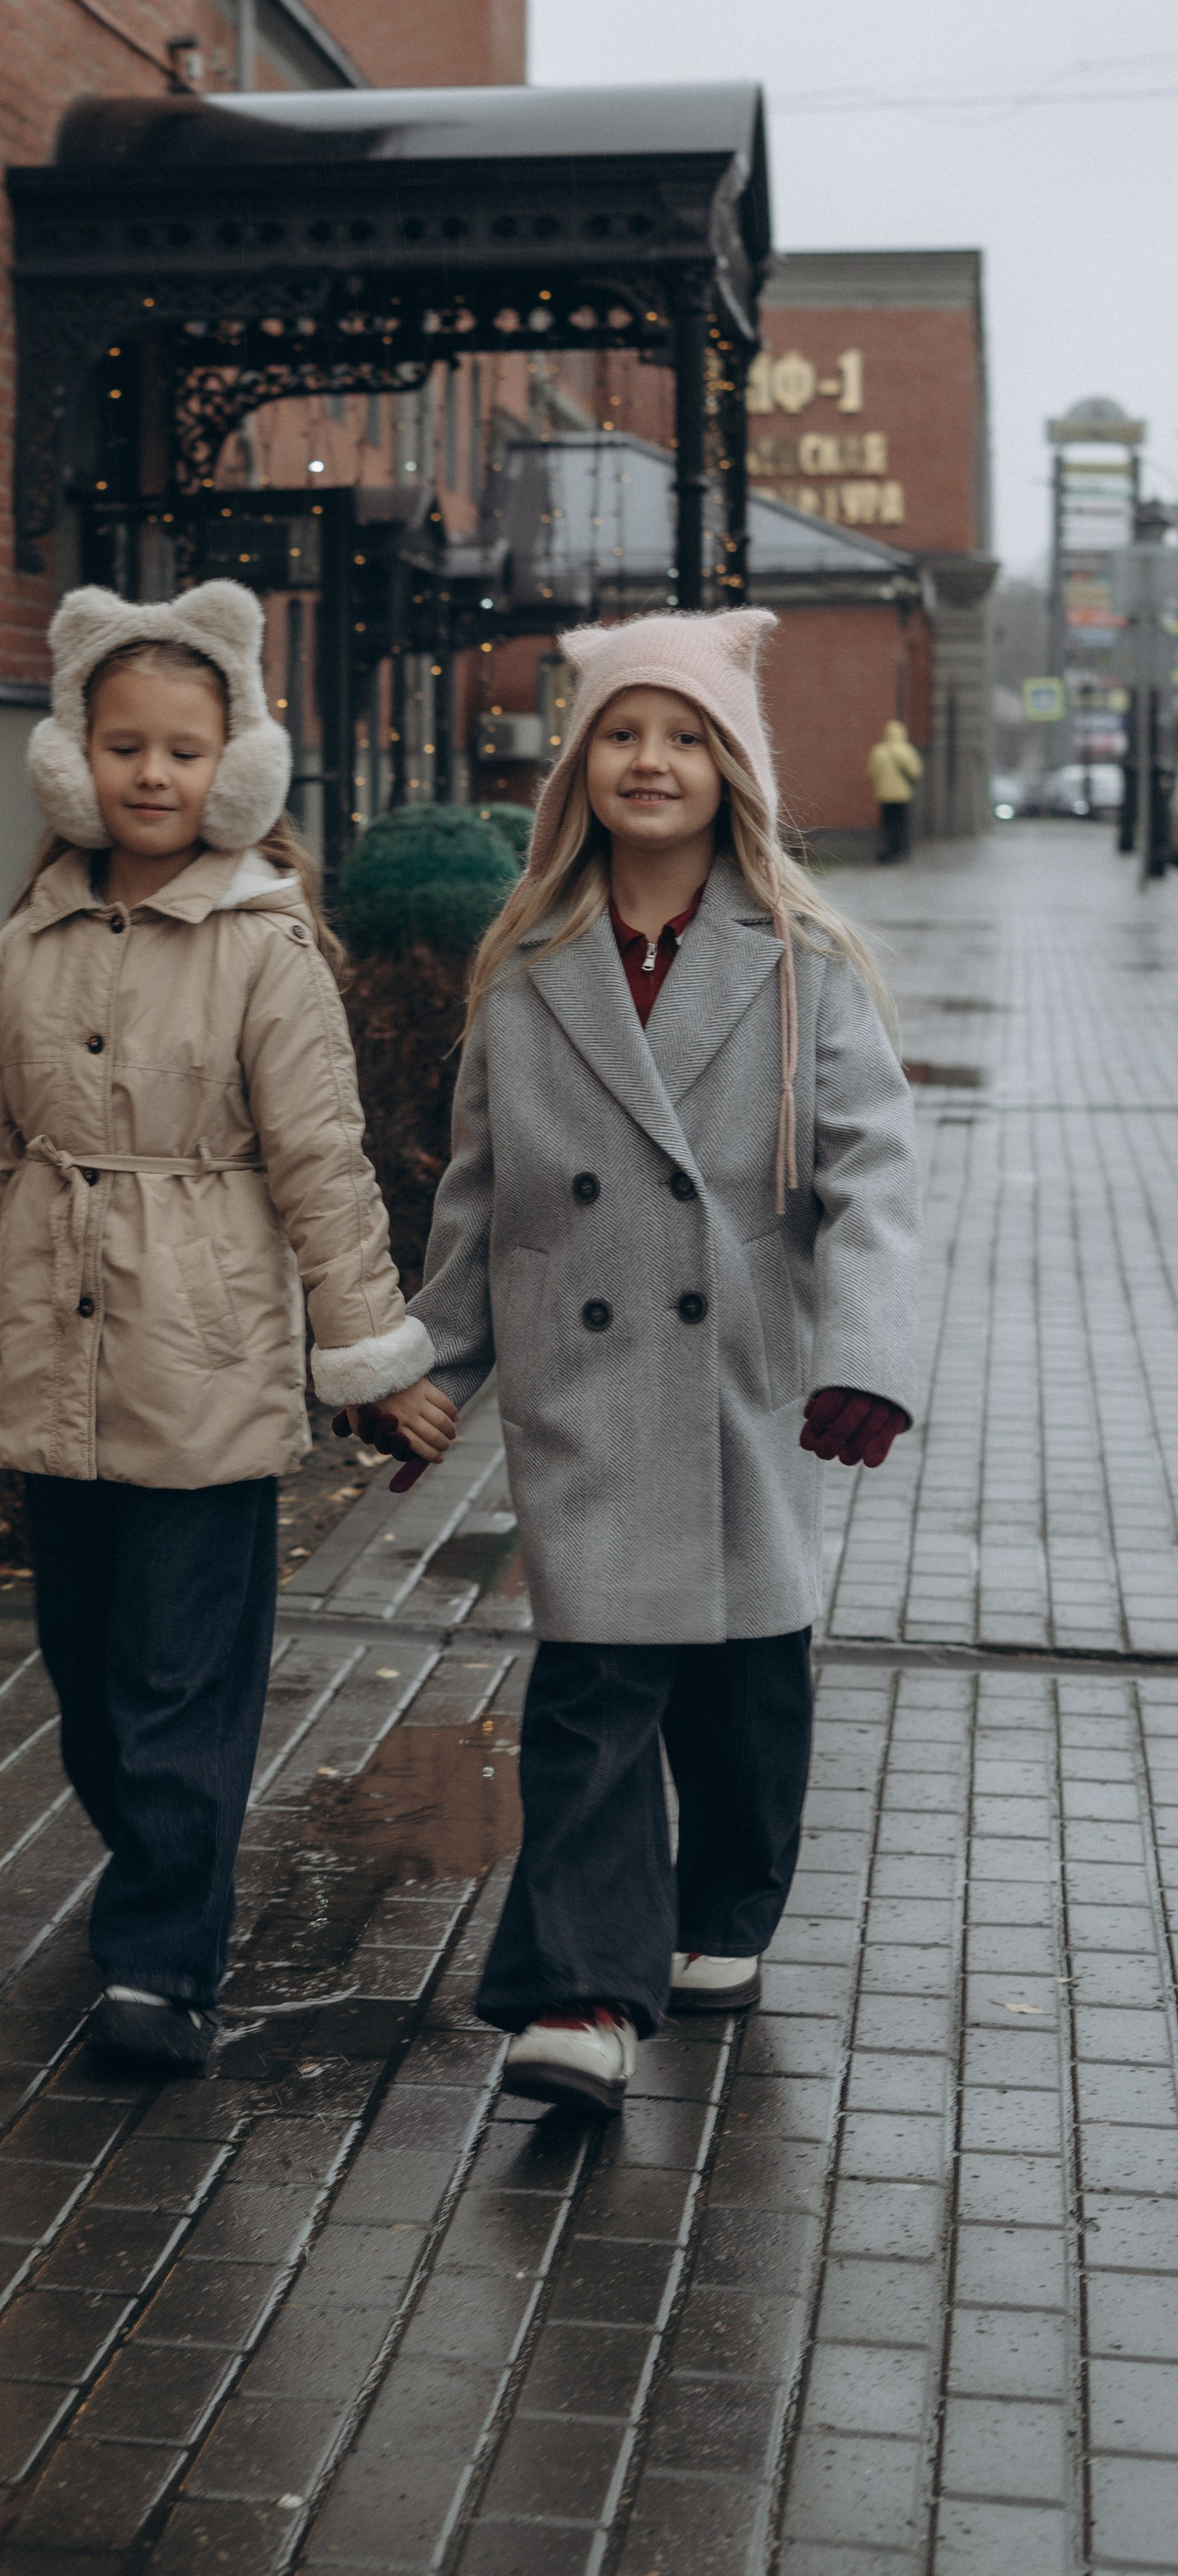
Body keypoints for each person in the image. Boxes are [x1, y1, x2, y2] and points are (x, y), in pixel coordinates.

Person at [0, 580, 454, 2075]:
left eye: (184, 751)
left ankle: (160, 1964)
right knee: (89, 1688)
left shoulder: (266, 947)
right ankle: (162, 1877)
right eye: (125, 745)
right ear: (76, 760)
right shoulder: (27, 945)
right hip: (53, 1360)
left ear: (236, 766)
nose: (153, 775)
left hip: (207, 1360)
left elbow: (324, 1163)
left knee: (180, 1689)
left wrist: (367, 1357)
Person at [380, 608, 921, 2118]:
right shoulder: (527, 964)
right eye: (621, 732)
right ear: (578, 770)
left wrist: (867, 1354)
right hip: (587, 1384)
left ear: (733, 768)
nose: (651, 759)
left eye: (685, 735)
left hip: (741, 1371)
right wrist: (428, 1370)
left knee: (745, 1686)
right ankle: (582, 1996)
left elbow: (875, 1172)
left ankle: (726, 1906)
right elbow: (481, 1200)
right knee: (593, 1694)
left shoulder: (802, 960)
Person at [868, 715, 923, 861]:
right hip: (902, 795)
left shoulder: (879, 751)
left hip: (884, 795)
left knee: (888, 824)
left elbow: (872, 772)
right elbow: (916, 772)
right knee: (902, 824)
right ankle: (903, 851)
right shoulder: (907, 750)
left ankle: (889, 851)